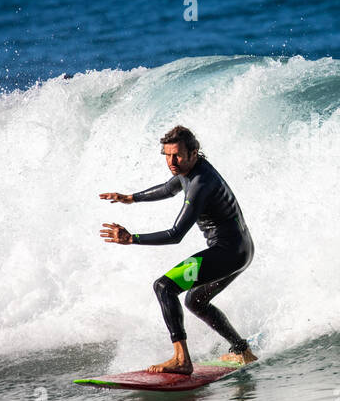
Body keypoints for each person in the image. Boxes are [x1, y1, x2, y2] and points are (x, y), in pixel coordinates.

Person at [99, 125, 257, 374]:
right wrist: (131, 198)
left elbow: (176, 235)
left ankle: (182, 360)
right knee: (196, 301)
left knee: (164, 287)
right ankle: (242, 350)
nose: (172, 161)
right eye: (167, 155)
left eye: (177, 156)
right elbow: (170, 187)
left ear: (194, 153)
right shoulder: (189, 171)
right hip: (240, 251)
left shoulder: (201, 183)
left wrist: (132, 238)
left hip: (228, 253)